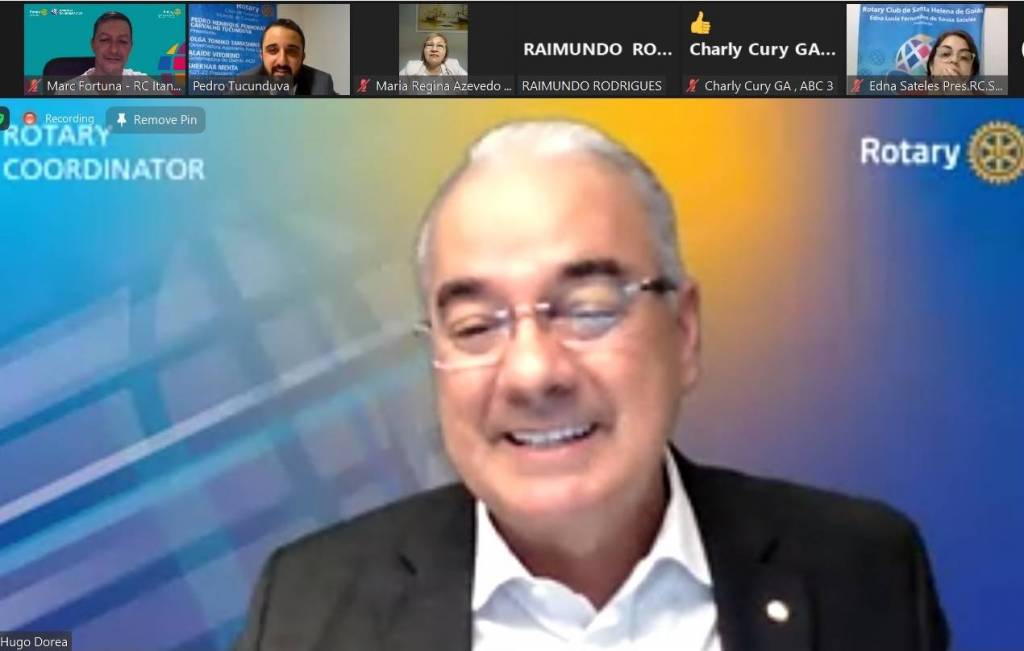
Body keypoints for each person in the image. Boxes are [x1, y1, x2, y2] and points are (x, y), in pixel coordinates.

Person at [234, 121, 949, 650]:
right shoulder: (308, 609)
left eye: (589, 309)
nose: (533, 372)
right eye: (476, 325)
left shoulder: (863, 571)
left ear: (684, 331)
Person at [59, 11, 165, 96]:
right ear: (93, 45)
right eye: (105, 40)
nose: (114, 50)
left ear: (130, 47)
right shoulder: (68, 93)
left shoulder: (147, 87)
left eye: (122, 41)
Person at [237, 18, 337, 96]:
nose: (282, 61)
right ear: (262, 56)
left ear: (302, 57)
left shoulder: (322, 84)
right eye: (273, 50)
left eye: (292, 51)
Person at [400, 32, 467, 76]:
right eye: (429, 45)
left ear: (445, 52)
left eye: (440, 45)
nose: (434, 49)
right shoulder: (411, 67)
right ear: (424, 50)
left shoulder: (454, 66)